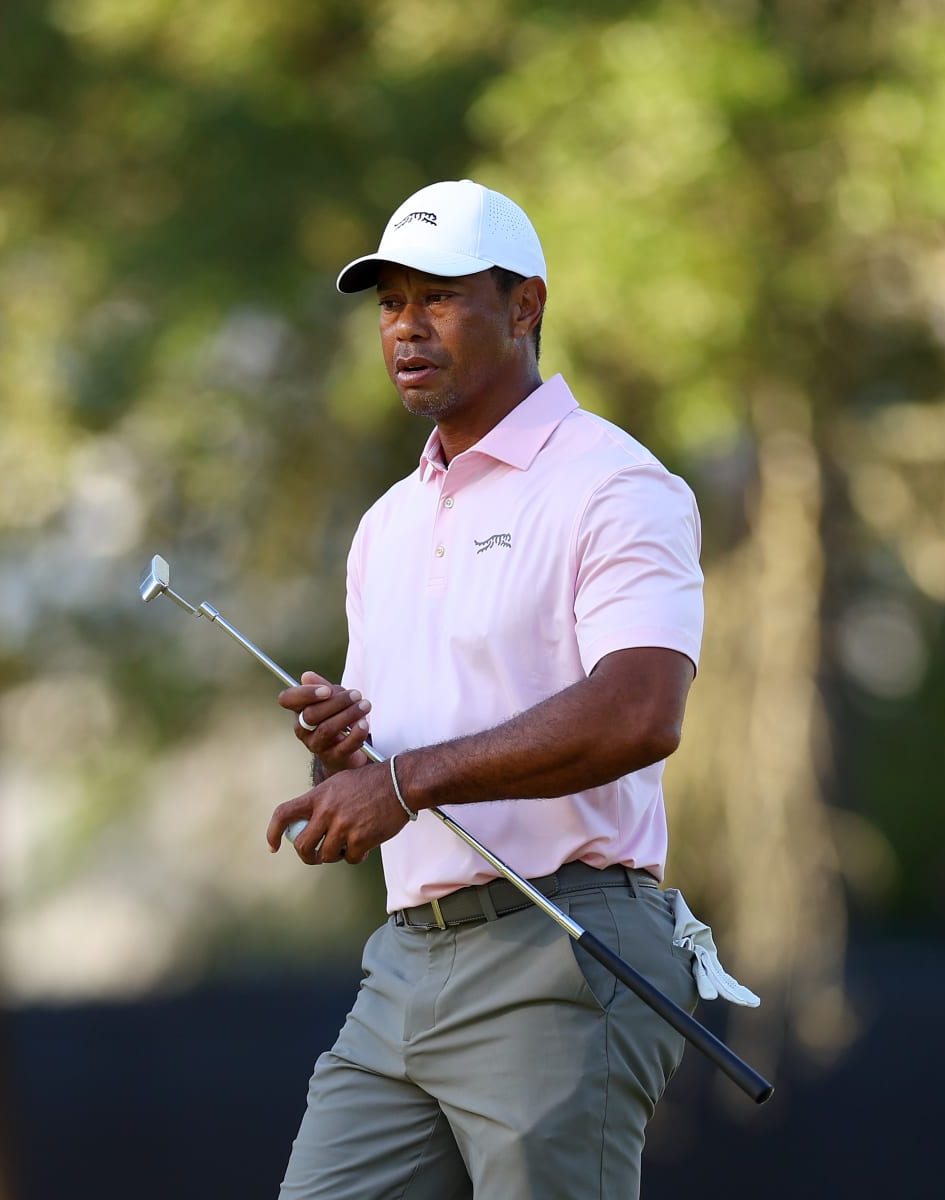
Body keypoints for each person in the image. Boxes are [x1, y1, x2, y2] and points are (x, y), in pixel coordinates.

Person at [265, 179, 727, 1199]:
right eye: (389, 303)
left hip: (562, 950)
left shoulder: (617, 483)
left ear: (525, 307)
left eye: (440, 297)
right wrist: (343, 758)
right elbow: (392, 769)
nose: (405, 328)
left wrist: (406, 783)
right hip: (405, 962)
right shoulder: (386, 523)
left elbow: (642, 711)